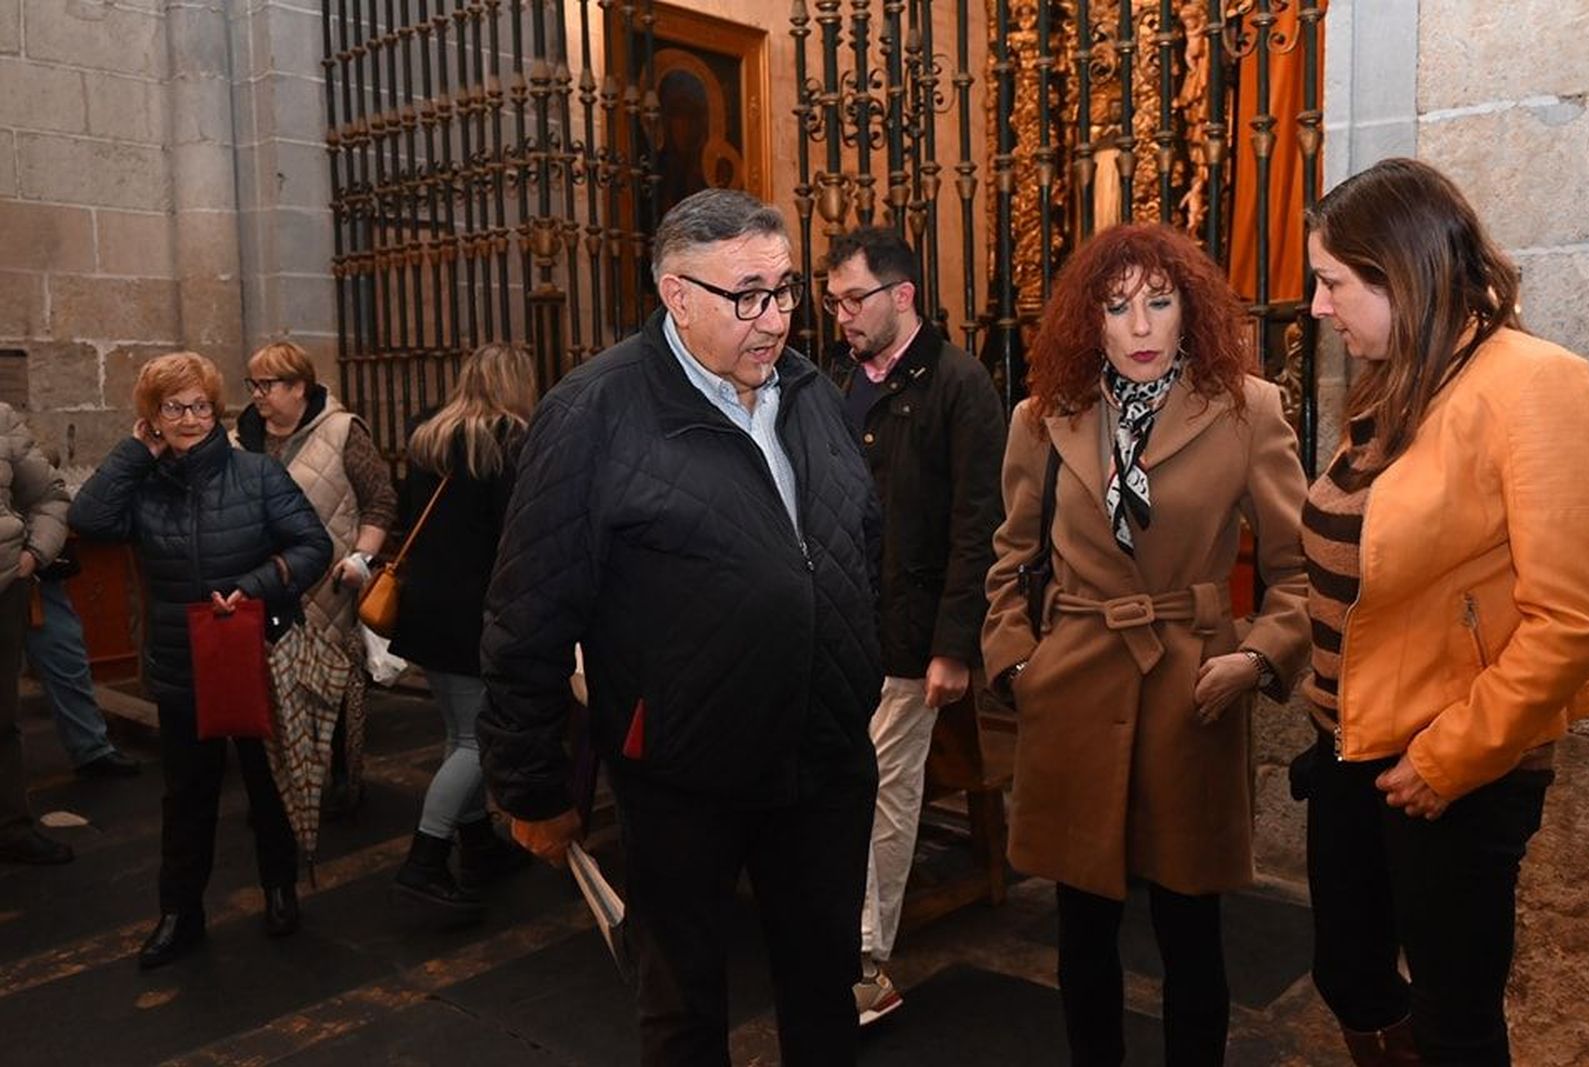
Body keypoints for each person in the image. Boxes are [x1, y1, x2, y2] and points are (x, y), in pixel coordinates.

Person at [478, 188, 883, 1066]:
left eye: (784, 290)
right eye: (748, 295)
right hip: (682, 773)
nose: (774, 319)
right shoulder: (594, 412)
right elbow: (528, 611)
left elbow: (860, 539)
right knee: (683, 1005)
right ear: (677, 294)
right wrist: (531, 784)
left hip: (823, 762)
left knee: (824, 993)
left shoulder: (812, 393)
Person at [982, 223, 1311, 1066]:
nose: (1139, 327)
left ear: (1188, 310)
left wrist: (1255, 658)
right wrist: (1020, 665)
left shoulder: (1249, 408)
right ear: (1086, 320)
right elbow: (1011, 558)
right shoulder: (1041, 417)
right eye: (1117, 306)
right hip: (1074, 688)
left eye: (1158, 303)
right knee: (1082, 928)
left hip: (1189, 692)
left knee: (1190, 929)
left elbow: (1299, 572)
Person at [1298, 158, 1589, 1066]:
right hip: (1351, 741)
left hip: (1457, 761)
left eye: (1332, 282)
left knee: (1457, 1017)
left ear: (1402, 272)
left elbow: (1574, 617)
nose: (1318, 307)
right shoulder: (1399, 379)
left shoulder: (1536, 383)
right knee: (1347, 971)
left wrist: (1450, 756)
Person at [70, 352, 332, 969]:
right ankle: (180, 913)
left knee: (267, 785)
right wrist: (136, 454)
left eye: (198, 406)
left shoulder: (257, 474)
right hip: (181, 661)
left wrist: (258, 582)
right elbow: (89, 520)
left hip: (254, 650)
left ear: (215, 411)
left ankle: (279, 888)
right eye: (172, 408)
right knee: (186, 795)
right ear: (152, 418)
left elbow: (312, 545)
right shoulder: (144, 483)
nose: (188, 419)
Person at [823, 226, 1006, 1024]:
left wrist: (954, 645)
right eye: (832, 303)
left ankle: (863, 962)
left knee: (887, 792)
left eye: (853, 299)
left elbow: (981, 525)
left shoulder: (960, 385)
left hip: (912, 631)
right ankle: (831, 934)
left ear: (902, 295)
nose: (841, 317)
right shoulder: (840, 384)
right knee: (840, 785)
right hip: (842, 626)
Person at [388, 342, 537, 920]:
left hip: (426, 605)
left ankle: (476, 845)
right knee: (480, 742)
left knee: (460, 733)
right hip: (474, 610)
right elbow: (515, 535)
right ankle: (423, 862)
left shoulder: (428, 437)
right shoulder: (507, 441)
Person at [235, 342, 397, 818]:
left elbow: (380, 501)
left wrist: (363, 559)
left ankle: (344, 780)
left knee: (334, 688)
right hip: (267, 584)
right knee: (271, 687)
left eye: (267, 385)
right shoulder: (239, 439)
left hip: (330, 584)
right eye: (253, 385)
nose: (257, 395)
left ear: (299, 387)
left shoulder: (343, 431)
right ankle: (278, 791)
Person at [0, 403, 74, 865]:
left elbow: (48, 496)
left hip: (3, 588)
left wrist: (33, 556)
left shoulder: (1, 420)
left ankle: (9, 825)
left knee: (1, 718)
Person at [25, 544, 141, 779]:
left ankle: (90, 748)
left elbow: (50, 507)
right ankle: (90, 746)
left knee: (65, 655)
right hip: (25, 554)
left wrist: (37, 550)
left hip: (31, 561)